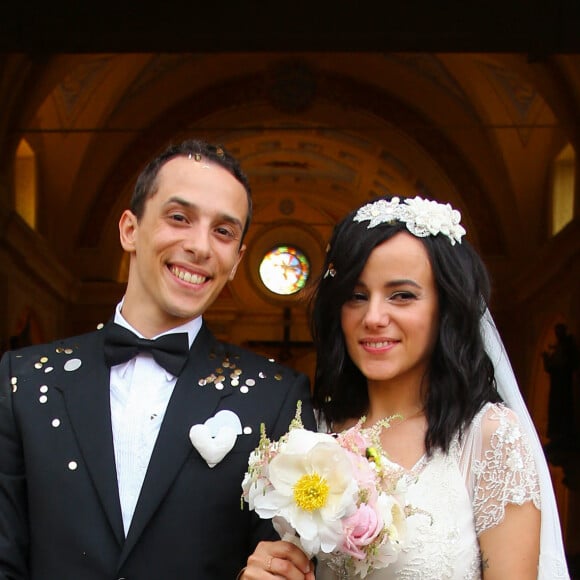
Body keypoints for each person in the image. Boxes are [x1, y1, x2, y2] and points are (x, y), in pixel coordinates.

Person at [0, 139, 316, 579]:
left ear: (237, 259)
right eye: (179, 218)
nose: (201, 246)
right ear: (129, 229)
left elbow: (282, 561)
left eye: (223, 231)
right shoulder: (23, 381)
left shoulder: (278, 397)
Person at [308, 195, 569, 579]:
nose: (374, 317)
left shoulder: (489, 437)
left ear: (445, 307)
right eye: (356, 296)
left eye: (402, 296)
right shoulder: (312, 433)